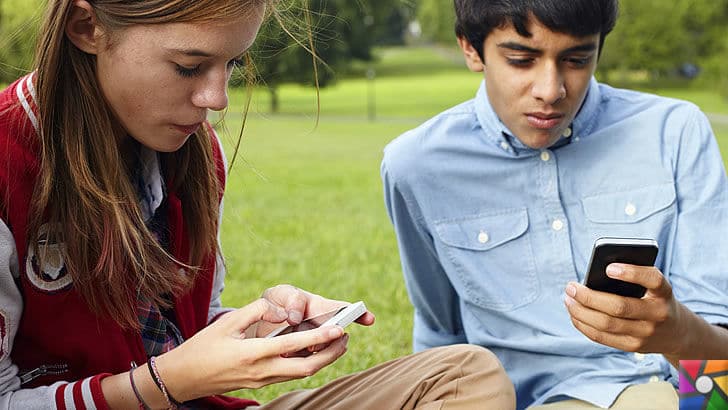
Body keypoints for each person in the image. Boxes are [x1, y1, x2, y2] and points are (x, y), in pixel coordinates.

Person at [0, 0, 517, 409]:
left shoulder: (195, 153)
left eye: (232, 64)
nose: (217, 98)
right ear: (86, 26)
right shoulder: (7, 159)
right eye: (189, 67)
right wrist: (161, 384)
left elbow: (182, 333)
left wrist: (262, 328)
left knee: (466, 376)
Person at [381, 0, 728, 409]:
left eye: (577, 59)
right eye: (521, 60)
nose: (551, 90)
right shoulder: (417, 167)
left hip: (669, 394)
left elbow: (717, 359)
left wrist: (677, 333)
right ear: (471, 49)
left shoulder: (675, 133)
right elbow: (440, 332)